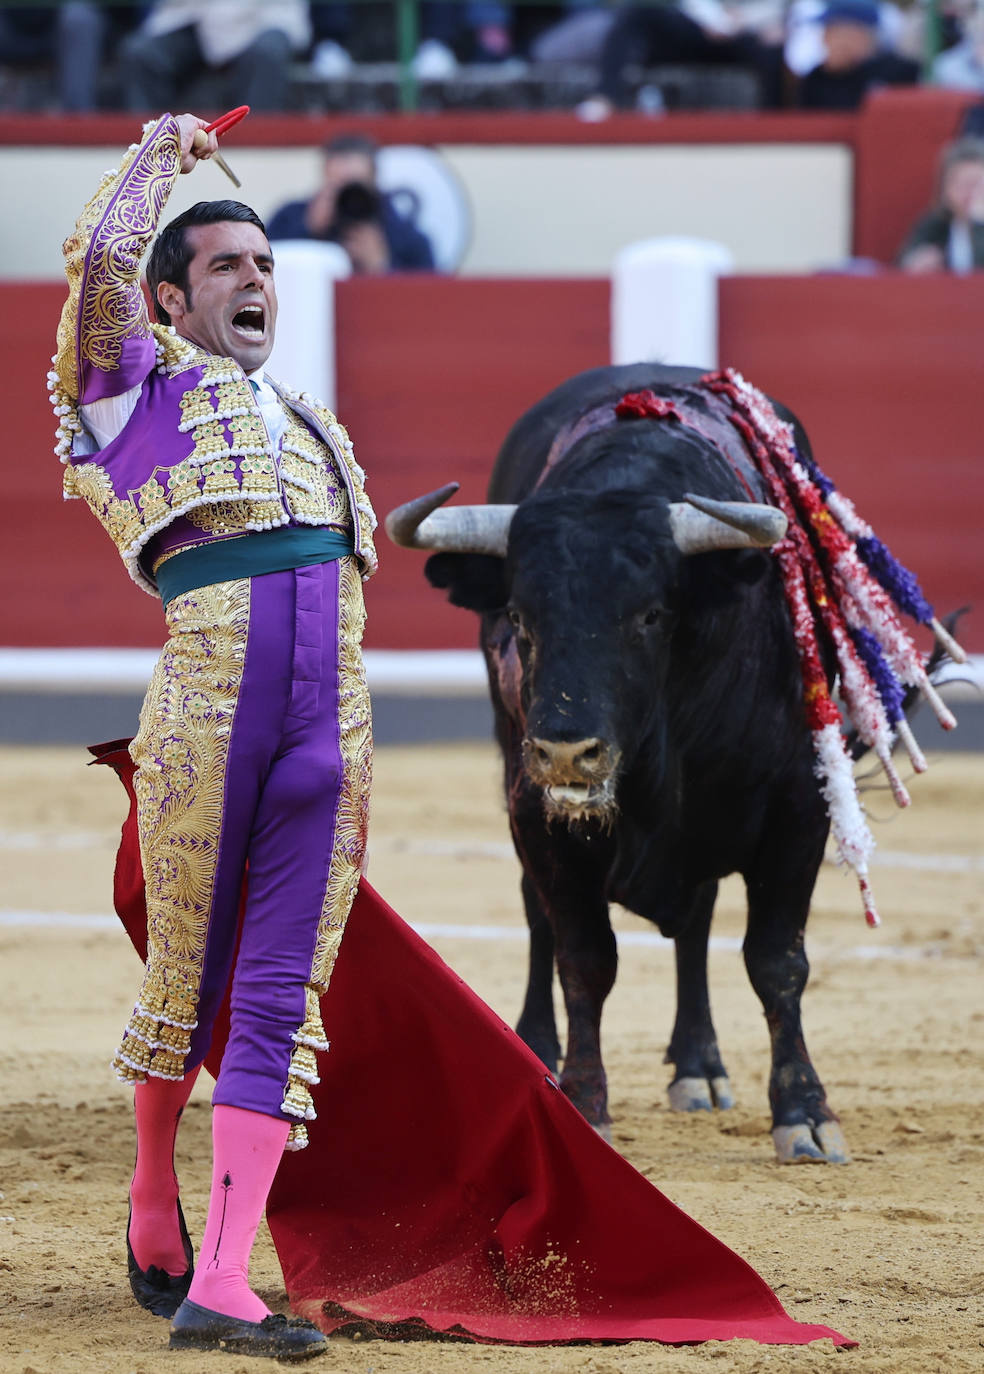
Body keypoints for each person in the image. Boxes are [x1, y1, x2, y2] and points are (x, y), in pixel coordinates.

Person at [49, 110, 377, 1359]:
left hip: (326, 731)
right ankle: (152, 1200)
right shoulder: (130, 392)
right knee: (186, 981)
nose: (258, 281)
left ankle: (225, 1283)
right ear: (174, 303)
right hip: (209, 713)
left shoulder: (311, 425)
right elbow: (96, 277)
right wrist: (159, 155)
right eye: (230, 266)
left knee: (280, 1002)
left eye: (268, 266)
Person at [266, 132, 436, 274]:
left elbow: (428, 294)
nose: (349, 198)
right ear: (325, 177)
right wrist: (308, 229)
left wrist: (382, 266)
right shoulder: (290, 218)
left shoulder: (404, 235)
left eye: (355, 187)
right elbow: (263, 269)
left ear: (374, 180)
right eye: (339, 185)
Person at [120, 0, 311, 111]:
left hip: (262, 18)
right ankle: (149, 149)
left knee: (268, 52)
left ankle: (254, 145)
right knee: (141, 53)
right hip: (193, 14)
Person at [795, 0, 918, 109]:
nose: (824, 39)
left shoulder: (899, 74)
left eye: (834, 32)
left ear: (862, 36)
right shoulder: (816, 79)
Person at [898, 135, 984, 272]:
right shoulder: (936, 223)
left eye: (976, 183)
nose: (970, 193)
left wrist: (978, 224)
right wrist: (916, 261)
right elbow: (902, 263)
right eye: (961, 184)